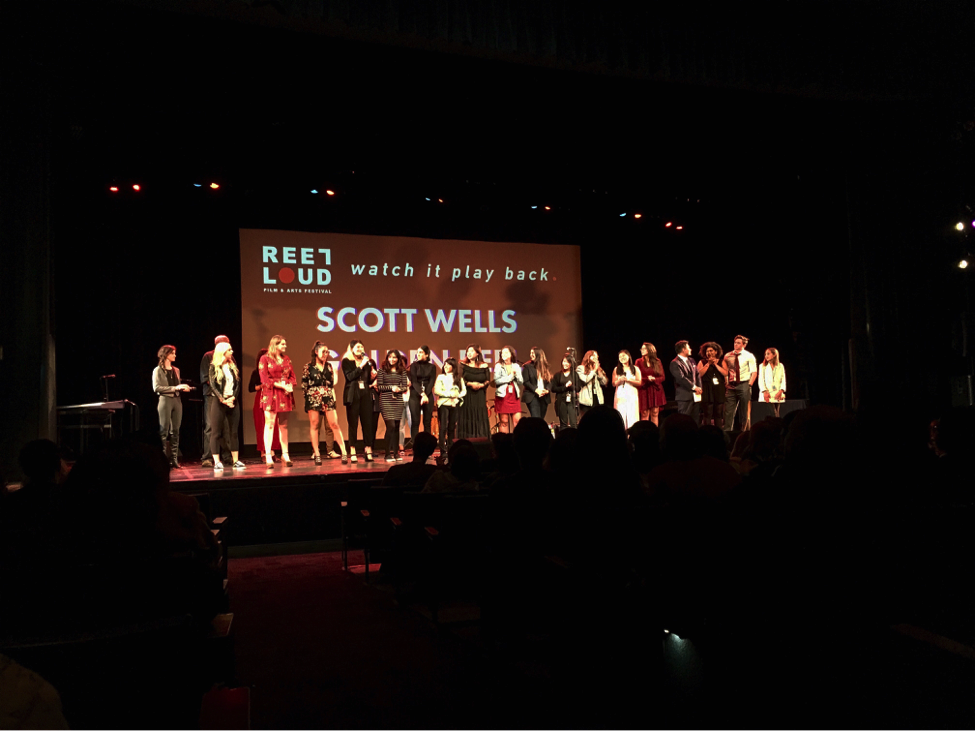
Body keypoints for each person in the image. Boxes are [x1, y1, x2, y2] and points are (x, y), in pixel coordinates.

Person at [301, 341, 348, 465]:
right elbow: (304, 385)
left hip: (327, 397)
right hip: (313, 397)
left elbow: (331, 383)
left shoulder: (329, 366)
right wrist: (309, 399)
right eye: (323, 352)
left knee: (334, 424)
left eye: (327, 352)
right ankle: (317, 453)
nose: (325, 354)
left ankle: (343, 451)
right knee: (315, 425)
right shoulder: (308, 367)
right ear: (316, 352)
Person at [259, 335, 296, 467]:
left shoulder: (286, 359)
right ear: (275, 345)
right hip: (271, 394)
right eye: (282, 344)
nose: (285, 346)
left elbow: (292, 376)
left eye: (285, 344)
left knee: (284, 425)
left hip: (285, 394)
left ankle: (285, 454)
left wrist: (290, 385)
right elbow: (264, 379)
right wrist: (280, 384)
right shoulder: (265, 358)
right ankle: (268, 455)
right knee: (269, 424)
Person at [153, 344, 191, 468]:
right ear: (166, 354)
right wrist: (176, 387)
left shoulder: (176, 370)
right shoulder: (158, 370)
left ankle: (174, 459)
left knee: (176, 430)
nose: (175, 355)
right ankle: (162, 459)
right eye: (173, 353)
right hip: (165, 400)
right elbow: (157, 388)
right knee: (163, 431)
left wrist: (184, 388)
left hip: (177, 401)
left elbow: (177, 386)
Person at [208, 341, 244, 470]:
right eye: (229, 350)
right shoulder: (214, 367)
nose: (232, 352)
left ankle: (236, 460)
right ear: (223, 352)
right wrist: (222, 400)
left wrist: (233, 397)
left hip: (233, 400)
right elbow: (213, 385)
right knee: (216, 433)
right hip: (219, 402)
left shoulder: (232, 366)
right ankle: (217, 461)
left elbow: (238, 384)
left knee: (234, 432)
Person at [342, 340, 378, 462]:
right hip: (353, 395)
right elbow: (350, 377)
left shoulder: (367, 362)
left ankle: (368, 449)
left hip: (365, 394)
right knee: (353, 424)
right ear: (351, 348)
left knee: (367, 423)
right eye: (357, 347)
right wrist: (361, 365)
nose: (360, 348)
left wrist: (372, 376)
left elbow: (367, 380)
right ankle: (352, 450)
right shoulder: (347, 361)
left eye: (362, 346)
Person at [200, 335, 233, 468]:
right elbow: (206, 378)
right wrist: (219, 392)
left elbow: (234, 375)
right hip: (211, 395)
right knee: (210, 426)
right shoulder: (208, 356)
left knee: (225, 427)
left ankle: (227, 455)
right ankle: (207, 457)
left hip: (227, 396)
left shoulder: (230, 357)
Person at [377, 349, 410, 462]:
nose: (392, 359)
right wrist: (391, 388)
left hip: (398, 400)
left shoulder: (402, 371)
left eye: (394, 357)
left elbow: (405, 387)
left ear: (398, 359)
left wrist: (399, 389)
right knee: (390, 426)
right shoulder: (382, 371)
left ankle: (396, 453)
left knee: (396, 427)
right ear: (387, 358)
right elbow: (380, 386)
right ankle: (387, 454)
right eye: (390, 357)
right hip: (386, 401)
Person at [248, 348, 281, 461]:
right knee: (262, 425)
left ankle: (272, 451)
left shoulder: (273, 371)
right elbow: (251, 388)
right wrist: (262, 386)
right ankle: (263, 452)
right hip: (261, 399)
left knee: (274, 425)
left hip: (272, 398)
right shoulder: (256, 372)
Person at [723, 334, 758, 432]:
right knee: (728, 411)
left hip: (744, 384)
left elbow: (754, 372)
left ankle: (744, 433)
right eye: (735, 343)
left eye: (738, 343)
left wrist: (749, 384)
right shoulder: (728, 355)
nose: (736, 345)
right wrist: (726, 382)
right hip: (731, 385)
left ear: (744, 345)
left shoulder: (749, 356)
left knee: (744, 412)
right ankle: (727, 433)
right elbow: (725, 371)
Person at [457, 344, 492, 438]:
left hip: (480, 395)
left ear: (477, 353)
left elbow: (488, 380)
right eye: (468, 351)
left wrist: (481, 385)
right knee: (467, 415)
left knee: (479, 416)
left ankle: (481, 439)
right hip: (467, 395)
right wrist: (470, 384)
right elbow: (459, 379)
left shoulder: (484, 365)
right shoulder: (462, 365)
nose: (469, 353)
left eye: (472, 351)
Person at [434, 357, 466, 456]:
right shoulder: (441, 377)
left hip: (454, 404)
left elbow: (464, 391)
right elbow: (436, 390)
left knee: (452, 427)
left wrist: (457, 396)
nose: (446, 366)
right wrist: (449, 395)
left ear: (453, 366)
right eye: (445, 364)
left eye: (449, 364)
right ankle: (443, 451)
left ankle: (451, 449)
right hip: (444, 404)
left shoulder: (458, 378)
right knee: (443, 427)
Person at [408, 345, 437, 445]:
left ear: (426, 354)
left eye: (421, 352)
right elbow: (414, 382)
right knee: (415, 422)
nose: (418, 354)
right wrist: (422, 394)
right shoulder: (414, 365)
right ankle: (416, 446)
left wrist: (425, 395)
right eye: (418, 352)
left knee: (427, 423)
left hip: (428, 394)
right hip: (415, 394)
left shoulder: (432, 367)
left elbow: (431, 382)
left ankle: (427, 447)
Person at [493, 345, 524, 433]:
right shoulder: (498, 366)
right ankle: (505, 443)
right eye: (502, 352)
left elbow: (520, 382)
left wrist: (516, 374)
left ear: (511, 354)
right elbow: (497, 380)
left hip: (514, 395)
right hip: (502, 396)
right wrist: (510, 377)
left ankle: (517, 442)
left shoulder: (516, 366)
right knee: (504, 422)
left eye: (506, 352)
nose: (504, 354)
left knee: (517, 421)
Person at [697, 341, 728, 427]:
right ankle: (707, 432)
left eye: (711, 350)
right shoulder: (702, 362)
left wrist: (715, 364)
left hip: (719, 388)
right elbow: (699, 374)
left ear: (716, 351)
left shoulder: (722, 361)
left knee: (718, 413)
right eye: (707, 351)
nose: (709, 353)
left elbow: (725, 373)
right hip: (707, 388)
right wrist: (708, 364)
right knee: (708, 413)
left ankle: (719, 432)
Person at [670, 340, 703, 421]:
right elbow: (681, 378)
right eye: (689, 347)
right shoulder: (675, 363)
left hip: (695, 396)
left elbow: (697, 374)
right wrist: (694, 387)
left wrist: (699, 388)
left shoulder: (692, 360)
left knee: (695, 420)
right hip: (684, 397)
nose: (691, 349)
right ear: (683, 349)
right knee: (684, 420)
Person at [635, 342, 666, 426]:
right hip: (644, 388)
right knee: (644, 413)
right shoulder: (638, 361)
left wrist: (654, 379)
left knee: (655, 413)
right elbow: (637, 376)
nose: (642, 350)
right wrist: (647, 379)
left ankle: (654, 433)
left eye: (644, 349)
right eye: (641, 349)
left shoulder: (657, 361)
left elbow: (662, 377)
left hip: (655, 389)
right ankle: (643, 433)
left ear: (649, 350)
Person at [551, 353, 582, 428]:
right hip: (561, 401)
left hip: (572, 401)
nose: (565, 364)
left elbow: (578, 388)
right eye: (564, 361)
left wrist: (571, 386)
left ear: (571, 364)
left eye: (567, 362)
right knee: (563, 424)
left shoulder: (574, 375)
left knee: (573, 423)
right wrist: (564, 387)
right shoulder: (558, 375)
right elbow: (553, 388)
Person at [612, 350, 641, 430]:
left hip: (632, 395)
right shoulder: (616, 369)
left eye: (624, 356)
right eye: (620, 357)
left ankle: (633, 434)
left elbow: (639, 382)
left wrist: (628, 380)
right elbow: (614, 383)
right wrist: (620, 380)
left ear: (629, 357)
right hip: (620, 395)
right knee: (621, 415)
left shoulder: (635, 369)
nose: (622, 358)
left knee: (632, 416)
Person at [522, 346, 552, 420]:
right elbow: (526, 382)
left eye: (533, 353)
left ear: (538, 354)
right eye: (530, 353)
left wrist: (547, 390)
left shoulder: (545, 367)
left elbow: (550, 381)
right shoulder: (527, 367)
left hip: (544, 396)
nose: (531, 355)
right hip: (532, 396)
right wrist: (536, 390)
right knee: (536, 418)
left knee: (541, 419)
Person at [577, 350, 609, 418]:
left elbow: (604, 382)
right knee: (587, 420)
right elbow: (585, 380)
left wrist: (599, 372)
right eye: (593, 356)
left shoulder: (597, 369)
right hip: (586, 400)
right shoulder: (581, 368)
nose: (595, 358)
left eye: (596, 356)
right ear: (588, 357)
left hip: (597, 398)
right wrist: (593, 371)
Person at [757, 347, 787, 417]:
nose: (766, 356)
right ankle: (777, 425)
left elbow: (783, 379)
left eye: (768, 354)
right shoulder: (762, 366)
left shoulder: (780, 366)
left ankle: (777, 425)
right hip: (768, 393)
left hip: (777, 393)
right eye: (765, 354)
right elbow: (761, 380)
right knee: (773, 413)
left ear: (774, 355)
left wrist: (781, 391)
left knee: (777, 413)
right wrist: (764, 391)